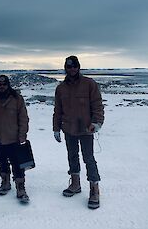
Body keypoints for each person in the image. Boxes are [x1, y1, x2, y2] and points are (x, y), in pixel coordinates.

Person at [53, 56, 104, 209]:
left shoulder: (89, 84)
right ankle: (75, 184)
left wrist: (96, 122)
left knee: (89, 158)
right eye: (69, 67)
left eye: (74, 66)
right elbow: (58, 110)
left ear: (79, 67)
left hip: (86, 129)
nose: (72, 69)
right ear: (65, 68)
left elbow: (97, 105)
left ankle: (94, 189)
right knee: (72, 156)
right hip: (69, 129)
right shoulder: (61, 88)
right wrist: (56, 128)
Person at [0, 75, 30, 203]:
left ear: (8, 85)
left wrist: (22, 134)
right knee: (2, 162)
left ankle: (20, 187)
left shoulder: (17, 99)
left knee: (18, 164)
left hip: (14, 138)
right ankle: (5, 182)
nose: (2, 87)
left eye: (4, 84)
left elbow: (23, 118)